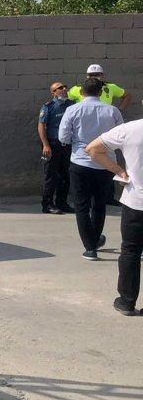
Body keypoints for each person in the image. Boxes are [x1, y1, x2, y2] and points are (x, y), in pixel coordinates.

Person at [59, 77, 124, 261]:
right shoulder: (112, 110)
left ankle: (90, 247)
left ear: (81, 92)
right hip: (105, 164)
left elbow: (63, 137)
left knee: (81, 206)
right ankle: (94, 240)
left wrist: (78, 142)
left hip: (80, 163)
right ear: (101, 92)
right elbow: (121, 136)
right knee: (99, 204)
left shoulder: (73, 110)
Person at [86, 121, 143, 315]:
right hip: (135, 200)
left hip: (136, 201)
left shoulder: (129, 129)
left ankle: (126, 301)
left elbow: (92, 149)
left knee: (130, 250)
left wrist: (119, 170)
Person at [38, 81, 74, 214]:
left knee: (66, 175)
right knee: (50, 175)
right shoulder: (49, 107)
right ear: (53, 93)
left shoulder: (71, 105)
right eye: (60, 88)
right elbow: (41, 126)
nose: (64, 89)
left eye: (65, 87)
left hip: (67, 145)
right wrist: (46, 145)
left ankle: (62, 203)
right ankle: (47, 204)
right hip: (52, 145)